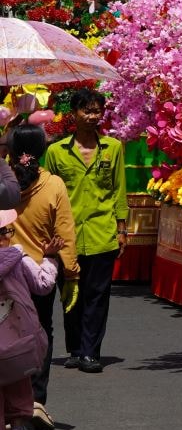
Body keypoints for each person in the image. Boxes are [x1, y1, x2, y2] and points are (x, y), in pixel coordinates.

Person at [42, 90, 125, 375]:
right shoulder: (55, 152)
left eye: (97, 111)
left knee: (97, 296)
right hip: (66, 236)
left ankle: (91, 352)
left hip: (102, 233)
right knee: (70, 293)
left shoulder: (113, 148)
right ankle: (75, 348)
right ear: (74, 114)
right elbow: (47, 193)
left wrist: (122, 227)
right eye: (86, 111)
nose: (92, 117)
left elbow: (118, 190)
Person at [5, 125, 76, 430]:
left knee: (4, 341)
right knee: (37, 340)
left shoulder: (4, 184)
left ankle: (7, 409)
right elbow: (65, 233)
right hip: (39, 276)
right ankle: (35, 402)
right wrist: (71, 272)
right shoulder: (54, 184)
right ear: (44, 150)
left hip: (5, 276)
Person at [0, 209, 64, 430]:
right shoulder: (18, 257)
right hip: (18, 345)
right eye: (7, 231)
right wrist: (50, 258)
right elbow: (43, 284)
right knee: (18, 386)